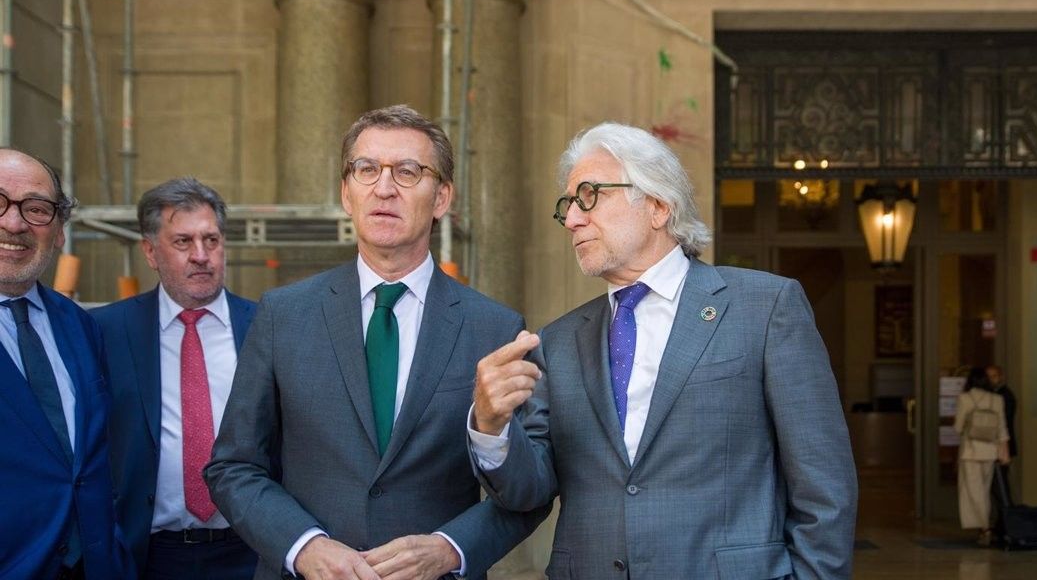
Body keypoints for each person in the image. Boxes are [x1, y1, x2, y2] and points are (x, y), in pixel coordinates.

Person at [470, 122, 858, 579]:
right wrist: (491, 426)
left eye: (590, 195)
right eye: (569, 204)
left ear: (657, 205)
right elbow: (529, 490)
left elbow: (824, 486)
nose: (573, 218)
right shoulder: (557, 342)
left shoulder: (765, 308)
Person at [206, 105, 546, 580]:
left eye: (408, 172)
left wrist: (450, 549)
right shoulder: (283, 315)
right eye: (367, 170)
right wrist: (304, 547)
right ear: (347, 193)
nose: (384, 188)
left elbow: (531, 492)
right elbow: (233, 467)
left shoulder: (494, 329)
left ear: (443, 197)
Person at [94, 178, 258, 579]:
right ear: (150, 251)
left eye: (212, 240)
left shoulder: (265, 325)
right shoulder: (105, 331)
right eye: (183, 242)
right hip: (148, 556)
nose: (201, 256)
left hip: (251, 552)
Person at [0, 148, 132, 579]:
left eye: (36, 209)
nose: (15, 223)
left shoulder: (80, 326)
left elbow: (88, 464)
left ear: (58, 231)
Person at [954, 366, 1011, 546]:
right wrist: (1004, 452)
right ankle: (984, 527)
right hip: (990, 451)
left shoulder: (965, 399)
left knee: (972, 491)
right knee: (984, 491)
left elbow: (957, 427)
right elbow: (1002, 429)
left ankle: (984, 528)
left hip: (970, 451)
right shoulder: (997, 399)